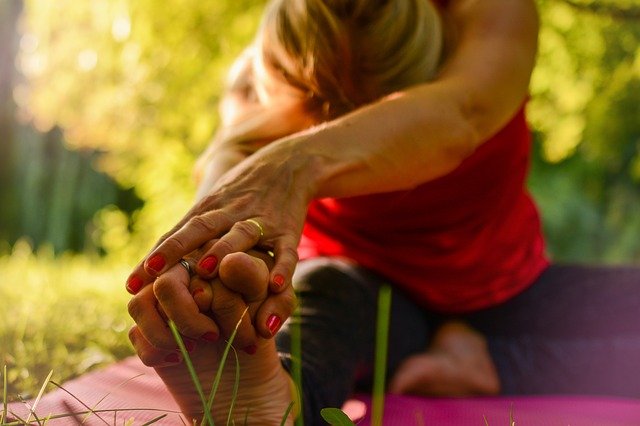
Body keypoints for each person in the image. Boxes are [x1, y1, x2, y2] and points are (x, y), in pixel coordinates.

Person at [125, 0, 640, 424]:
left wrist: (291, 164)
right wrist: (204, 272)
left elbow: (462, 115)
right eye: (325, 109)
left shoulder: (492, 14)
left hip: (509, 288)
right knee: (322, 305)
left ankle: (486, 364)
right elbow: (226, 169)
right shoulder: (263, 71)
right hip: (365, 290)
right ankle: (270, 402)